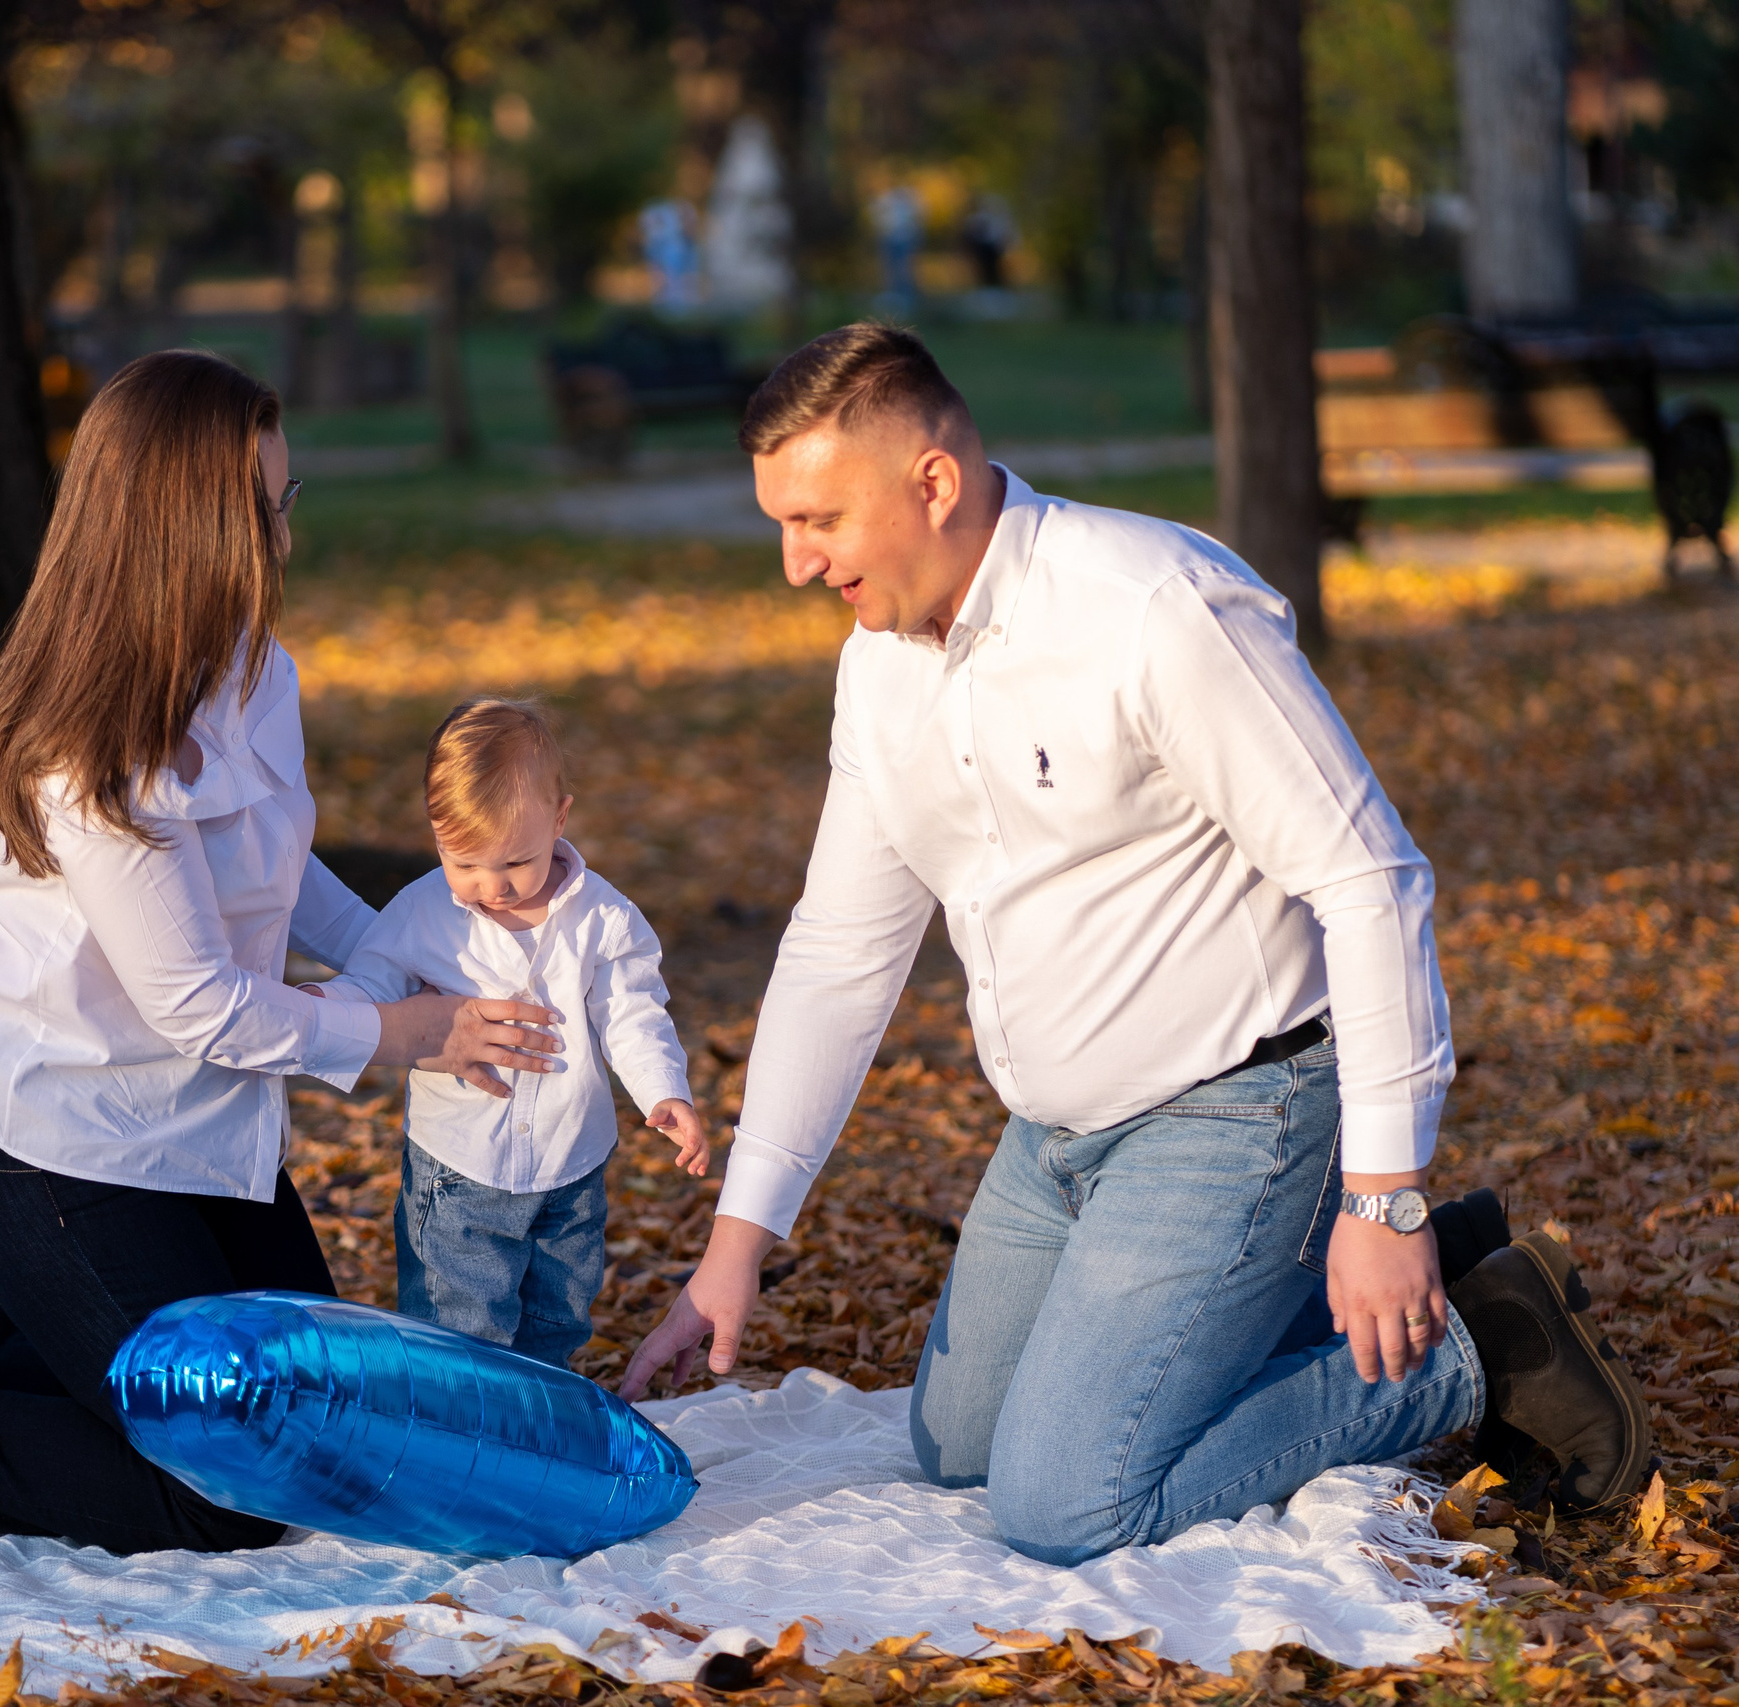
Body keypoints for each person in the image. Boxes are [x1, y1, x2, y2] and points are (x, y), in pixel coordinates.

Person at [617, 324, 1651, 1565]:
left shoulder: (1155, 608)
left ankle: (1474, 1343)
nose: (794, 563)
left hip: (1242, 1111)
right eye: (781, 524)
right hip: (1054, 1142)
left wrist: (1385, 1195)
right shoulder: (878, 670)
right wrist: (736, 1249)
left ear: (931, 483)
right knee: (957, 1446)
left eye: (818, 521)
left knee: (1066, 1504)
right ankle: (1342, 1289)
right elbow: (840, 950)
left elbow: (1371, 881)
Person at [0, 351, 566, 1555]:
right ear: (195, 527)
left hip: (201, 1134)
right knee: (223, 1488)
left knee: (313, 1415)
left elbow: (285, 869)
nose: (287, 533)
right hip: (57, 1153)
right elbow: (206, 1009)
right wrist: (407, 1033)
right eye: (269, 508)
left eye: (287, 499)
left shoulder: (254, 667)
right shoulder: (86, 754)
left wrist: (410, 955)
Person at [318, 699, 707, 1367]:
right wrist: (328, 1006)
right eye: (463, 862)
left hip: (571, 1161)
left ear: (559, 818)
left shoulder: (602, 916)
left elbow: (632, 1009)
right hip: (460, 1167)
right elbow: (374, 981)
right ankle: (459, 1443)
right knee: (460, 1323)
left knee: (557, 1317)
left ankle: (536, 1434)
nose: (490, 886)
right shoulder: (421, 911)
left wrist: (661, 1090)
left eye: (514, 864)